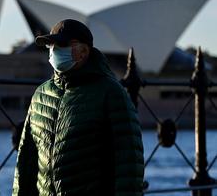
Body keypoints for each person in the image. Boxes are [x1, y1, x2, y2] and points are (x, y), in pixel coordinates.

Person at [12, 19, 144, 196]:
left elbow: (129, 163)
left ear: (83, 51)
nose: (54, 50)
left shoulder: (110, 92)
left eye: (62, 44)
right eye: (51, 45)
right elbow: (26, 159)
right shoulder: (41, 94)